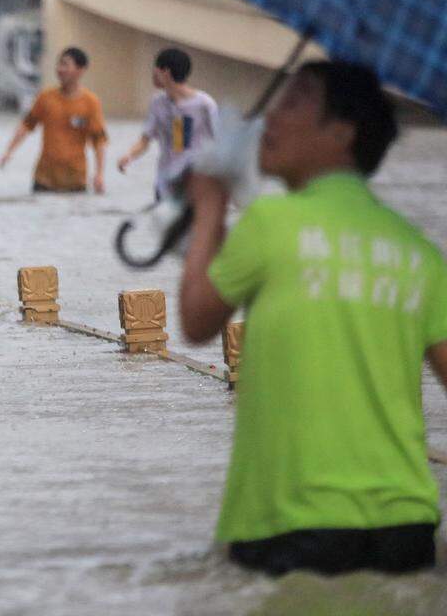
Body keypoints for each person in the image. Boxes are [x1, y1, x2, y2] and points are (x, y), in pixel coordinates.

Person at [180, 61, 447, 576]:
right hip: (406, 526)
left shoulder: (273, 223)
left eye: (296, 101)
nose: (272, 117)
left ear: (342, 134)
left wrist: (210, 204)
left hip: (290, 521)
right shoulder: (420, 254)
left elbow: (196, 319)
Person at [0, 47, 107, 194]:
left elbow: (99, 140)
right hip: (44, 180)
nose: (60, 69)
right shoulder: (46, 98)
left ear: (80, 70)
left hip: (75, 181)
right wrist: (8, 151)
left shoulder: (90, 103)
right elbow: (26, 125)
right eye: (59, 64)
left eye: (65, 65)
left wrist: (99, 174)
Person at [117, 48, 219, 200]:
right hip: (165, 184)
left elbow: (220, 144)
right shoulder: (158, 103)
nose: (152, 74)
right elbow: (145, 140)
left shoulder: (204, 104)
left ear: (165, 72)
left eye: (155, 69)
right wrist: (129, 156)